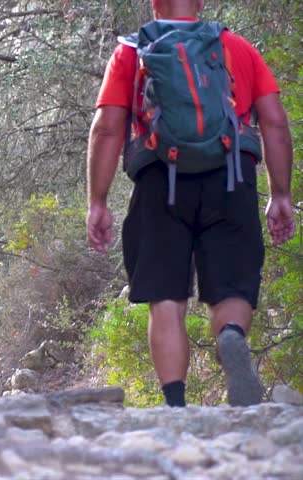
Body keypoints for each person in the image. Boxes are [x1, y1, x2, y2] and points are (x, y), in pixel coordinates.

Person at [86, 0, 295, 407]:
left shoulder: (131, 51)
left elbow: (107, 128)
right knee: (231, 285)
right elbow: (274, 122)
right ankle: (231, 335)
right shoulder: (237, 47)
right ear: (199, 2)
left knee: (165, 295)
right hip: (231, 176)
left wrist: (98, 200)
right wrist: (280, 195)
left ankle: (176, 405)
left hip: (158, 178)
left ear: (153, 3)